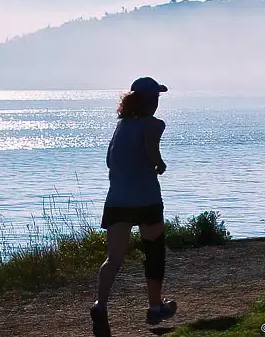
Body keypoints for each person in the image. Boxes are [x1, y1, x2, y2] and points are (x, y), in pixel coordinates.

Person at [90, 77, 176, 336]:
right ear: (152, 101)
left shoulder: (121, 127)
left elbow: (109, 160)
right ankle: (154, 306)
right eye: (157, 98)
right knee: (153, 250)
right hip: (146, 198)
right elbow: (151, 152)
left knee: (113, 258)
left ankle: (100, 304)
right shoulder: (154, 124)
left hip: (117, 199)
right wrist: (159, 165)